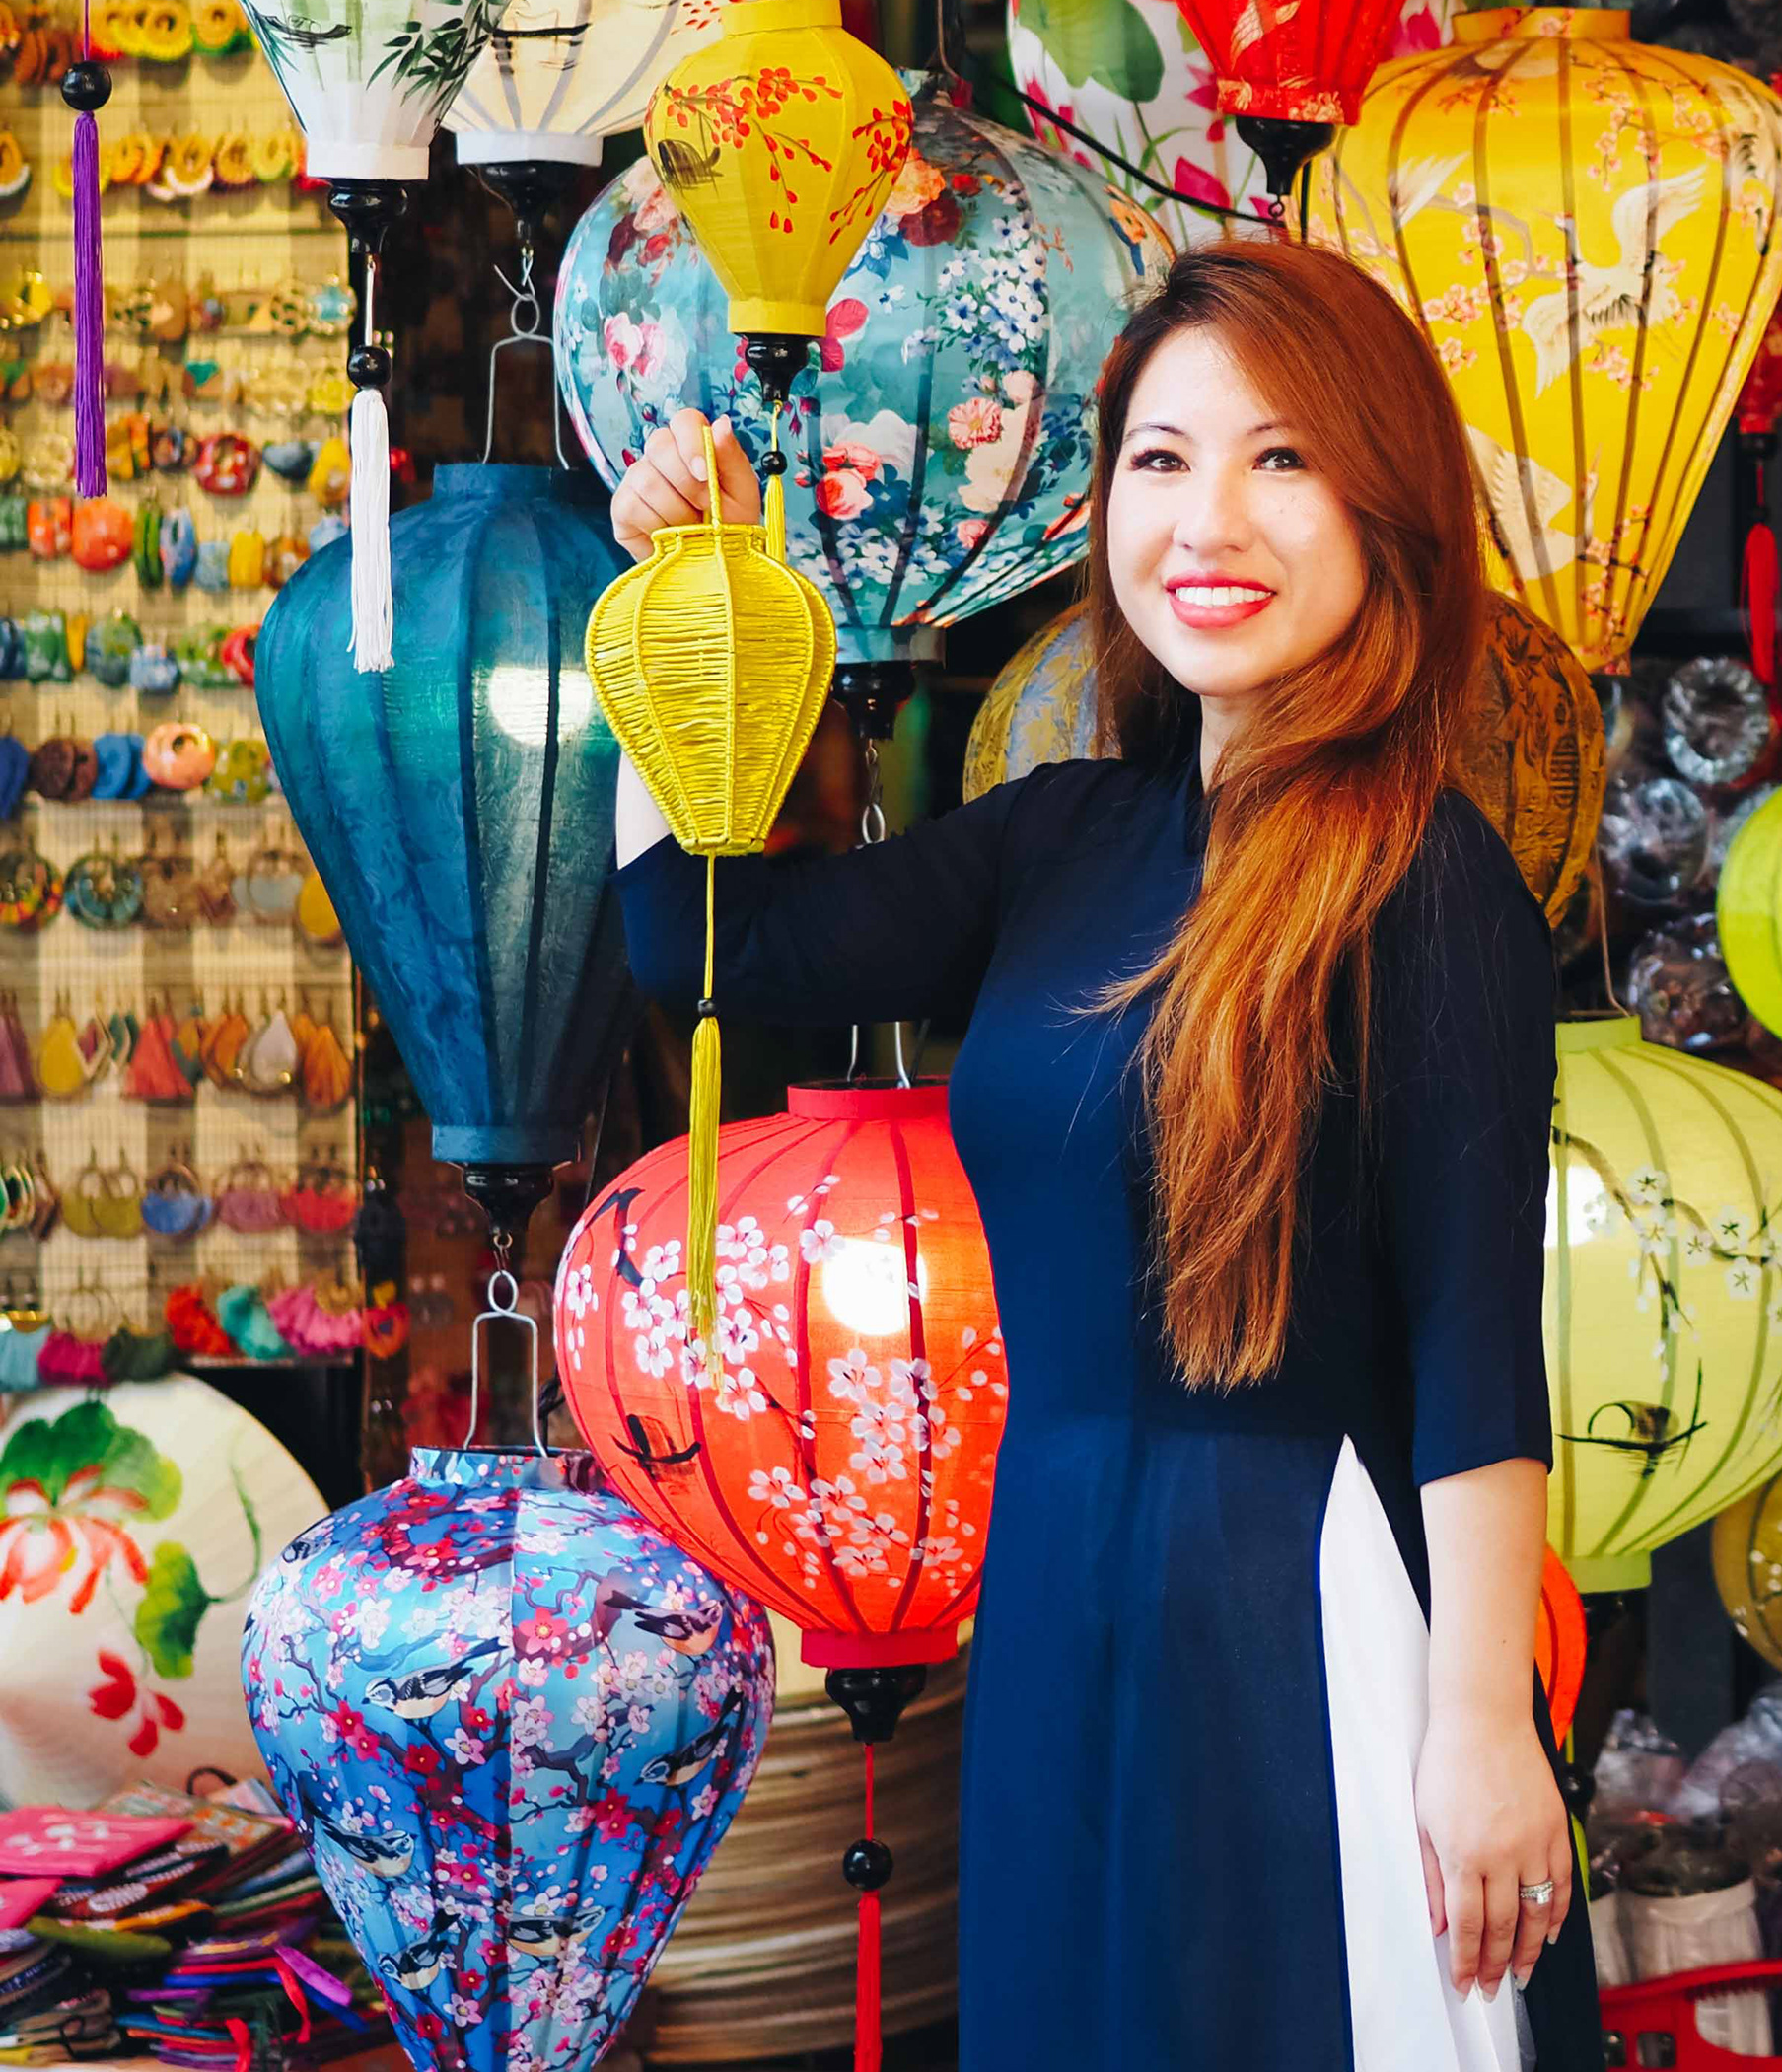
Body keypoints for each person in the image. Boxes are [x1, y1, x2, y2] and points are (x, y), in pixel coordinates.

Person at [608, 239, 1590, 2068]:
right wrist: (692, 595)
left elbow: (1474, 1340)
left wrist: (1481, 1722)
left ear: (1389, 509)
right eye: (1162, 458)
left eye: (1283, 459)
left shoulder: (1428, 874)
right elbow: (708, 945)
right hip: (1061, 1580)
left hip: (1304, 1591)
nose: (1210, 519)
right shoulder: (1060, 838)